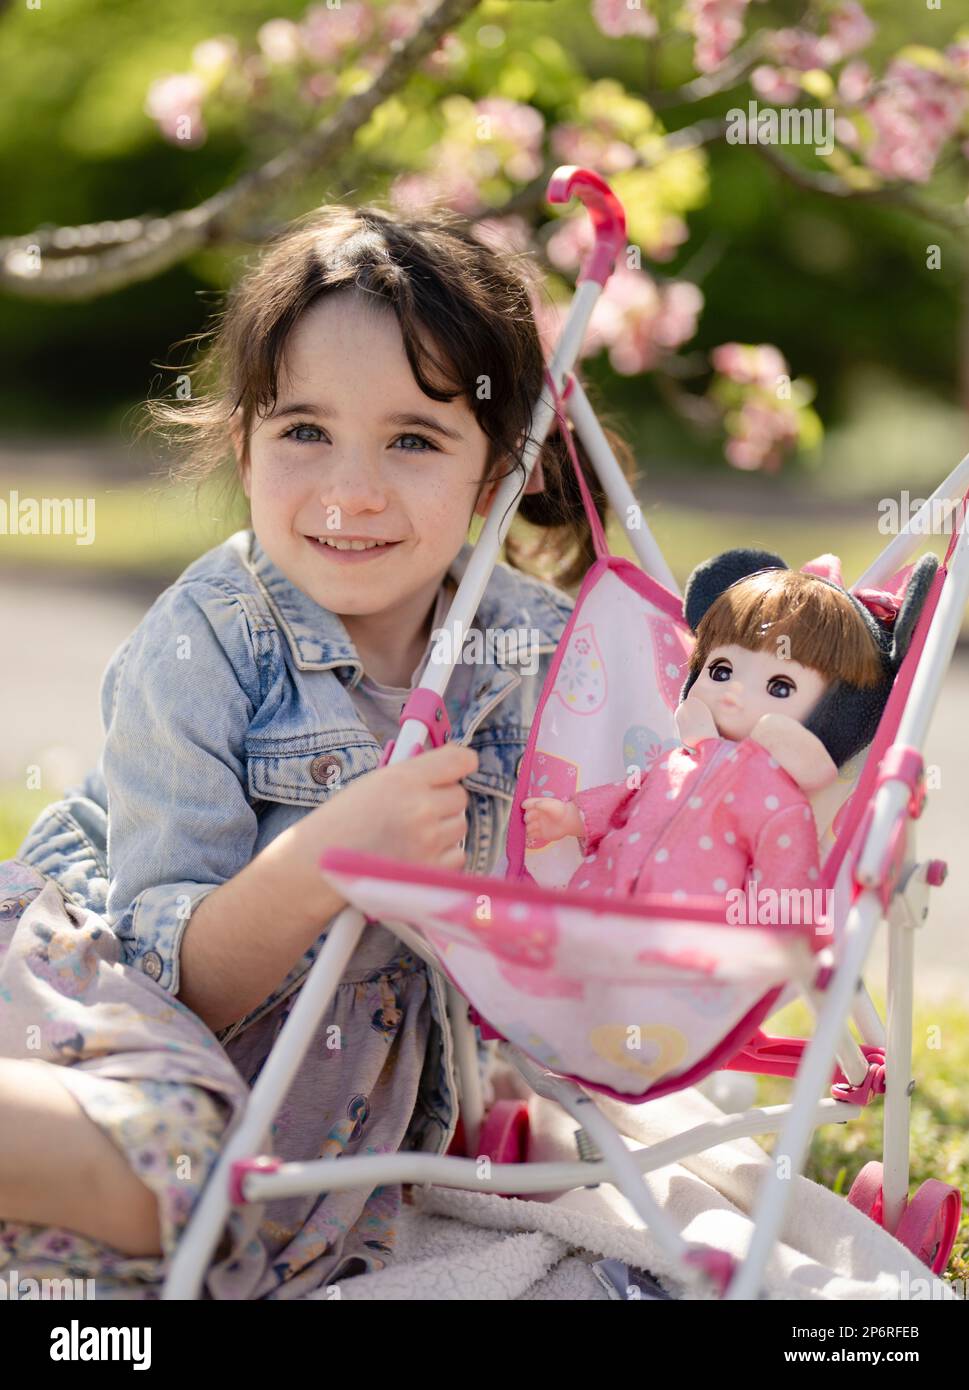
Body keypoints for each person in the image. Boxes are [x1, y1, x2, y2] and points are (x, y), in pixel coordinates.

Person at [0, 202, 635, 1299]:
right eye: (305, 431)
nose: (351, 492)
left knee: (237, 1228)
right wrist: (326, 860)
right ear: (243, 445)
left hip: (316, 1119)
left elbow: (553, 941)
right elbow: (176, 983)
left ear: (493, 480)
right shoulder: (209, 643)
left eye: (412, 439)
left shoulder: (532, 651)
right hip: (109, 1011)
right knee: (183, 1166)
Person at [522, 564, 888, 906]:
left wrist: (778, 940)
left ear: (829, 716)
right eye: (721, 670)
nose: (733, 692)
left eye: (779, 687)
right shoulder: (673, 763)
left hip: (690, 938)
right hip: (596, 903)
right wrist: (575, 817)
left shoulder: (780, 803)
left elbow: (785, 885)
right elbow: (625, 800)